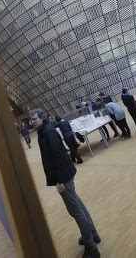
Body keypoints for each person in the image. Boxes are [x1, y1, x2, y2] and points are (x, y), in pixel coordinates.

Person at [29, 109, 100, 258]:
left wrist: (59, 180)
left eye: (34, 119)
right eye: (31, 119)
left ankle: (91, 247)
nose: (32, 122)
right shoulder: (44, 131)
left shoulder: (48, 132)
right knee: (79, 206)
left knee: (76, 211)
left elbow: (58, 156)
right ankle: (93, 234)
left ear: (42, 118)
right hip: (64, 174)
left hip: (63, 177)